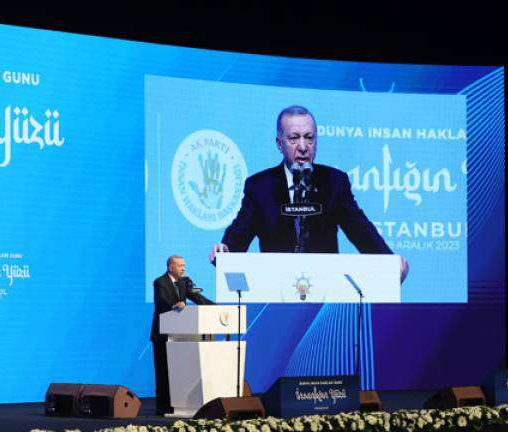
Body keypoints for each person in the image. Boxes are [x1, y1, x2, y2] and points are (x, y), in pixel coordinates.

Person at [209, 105, 409, 281]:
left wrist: (389, 262)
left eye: (309, 138)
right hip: (275, 291)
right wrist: (226, 249)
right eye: (294, 138)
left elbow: (361, 230)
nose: (303, 147)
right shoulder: (260, 186)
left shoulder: (334, 182)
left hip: (325, 290)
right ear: (279, 143)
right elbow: (240, 233)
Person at [150, 254, 213, 416]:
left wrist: (214, 307)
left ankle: (179, 404)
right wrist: (175, 305)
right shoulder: (160, 282)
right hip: (163, 334)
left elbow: (197, 297)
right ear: (170, 267)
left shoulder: (184, 282)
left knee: (179, 372)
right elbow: (161, 302)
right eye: (180, 265)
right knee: (163, 372)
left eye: (184, 265)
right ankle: (163, 407)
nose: (183, 268)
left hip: (181, 336)